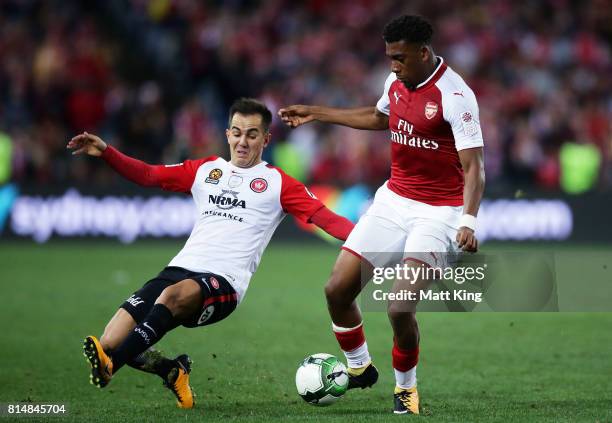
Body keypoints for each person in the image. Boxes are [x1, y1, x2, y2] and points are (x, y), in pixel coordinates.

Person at [67, 98, 354, 409]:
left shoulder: (278, 183)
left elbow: (326, 218)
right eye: (237, 132)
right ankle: (172, 370)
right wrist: (106, 152)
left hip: (224, 282)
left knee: (168, 301)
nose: (243, 141)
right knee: (110, 341)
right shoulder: (205, 170)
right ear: (228, 133)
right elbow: (149, 175)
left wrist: (372, 242)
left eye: (252, 134)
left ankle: (111, 368)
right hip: (178, 269)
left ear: (265, 139)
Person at [279, 15, 485, 415]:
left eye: (400, 57)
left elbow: (474, 166)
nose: (393, 65)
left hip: (439, 213)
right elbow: (379, 118)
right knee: (337, 289)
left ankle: (405, 388)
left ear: (423, 53)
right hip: (393, 201)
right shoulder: (396, 82)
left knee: (399, 305)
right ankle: (359, 368)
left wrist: (468, 220)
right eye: (390, 57)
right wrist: (317, 113)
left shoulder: (455, 96)